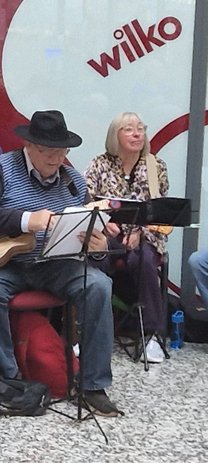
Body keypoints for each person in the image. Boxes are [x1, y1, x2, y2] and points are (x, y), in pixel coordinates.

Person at [0, 110, 120, 416]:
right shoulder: (1, 168)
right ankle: (7, 378)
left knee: (99, 285)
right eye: (48, 152)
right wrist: (26, 220)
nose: (56, 159)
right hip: (1, 262)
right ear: (29, 147)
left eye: (61, 152)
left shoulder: (73, 180)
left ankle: (92, 385)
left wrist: (99, 248)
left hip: (53, 263)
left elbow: (89, 228)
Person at [84, 112, 170, 363]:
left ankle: (151, 334)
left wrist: (140, 232)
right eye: (129, 129)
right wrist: (105, 222)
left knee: (142, 260)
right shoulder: (99, 163)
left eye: (140, 129)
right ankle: (87, 332)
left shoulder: (156, 166)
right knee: (96, 257)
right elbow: (85, 199)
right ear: (115, 135)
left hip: (145, 234)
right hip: (107, 232)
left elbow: (160, 211)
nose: (137, 134)